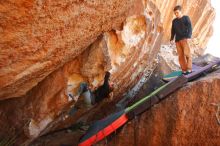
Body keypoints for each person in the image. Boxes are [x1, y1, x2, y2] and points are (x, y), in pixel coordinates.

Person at [170, 5, 193, 75]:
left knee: (187, 54)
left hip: (185, 39)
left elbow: (190, 27)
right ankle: (184, 70)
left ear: (180, 11)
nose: (176, 14)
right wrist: (171, 38)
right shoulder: (174, 21)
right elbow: (173, 30)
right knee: (181, 56)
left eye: (177, 12)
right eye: (175, 13)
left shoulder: (186, 18)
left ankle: (189, 69)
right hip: (177, 41)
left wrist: (188, 37)